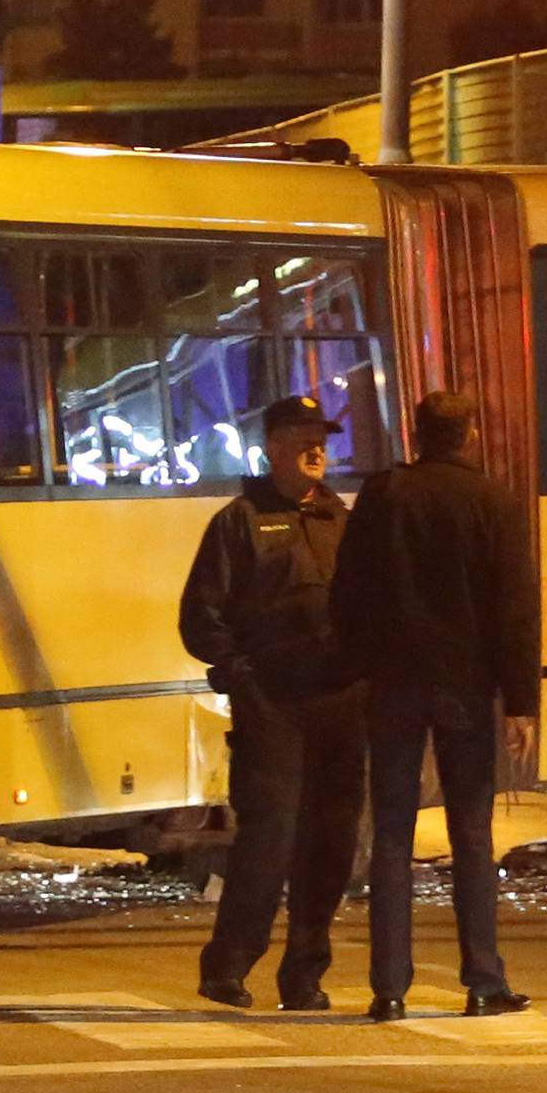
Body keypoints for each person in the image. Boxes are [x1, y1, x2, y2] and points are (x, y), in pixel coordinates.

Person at [330, 389, 539, 1022]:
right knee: (471, 833)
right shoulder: (493, 503)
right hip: (466, 685)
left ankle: (389, 987)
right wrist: (520, 702)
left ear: (416, 435)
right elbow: (515, 607)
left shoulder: (384, 495)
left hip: (393, 683)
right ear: (470, 435)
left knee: (391, 831)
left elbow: (350, 590)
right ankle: (482, 980)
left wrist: (356, 666)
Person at [179, 395, 365, 1012]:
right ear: (274, 448)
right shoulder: (241, 521)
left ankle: (304, 975)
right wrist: (242, 678)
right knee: (271, 837)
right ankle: (229, 966)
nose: (318, 448)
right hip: (275, 707)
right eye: (303, 438)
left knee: (332, 843)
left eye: (322, 437)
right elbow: (200, 618)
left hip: (341, 705)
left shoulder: (343, 520)